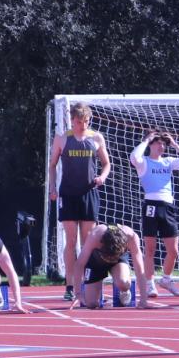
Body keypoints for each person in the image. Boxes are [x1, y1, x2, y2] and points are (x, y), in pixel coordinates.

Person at [48, 103, 111, 301]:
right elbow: (52, 165)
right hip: (68, 193)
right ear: (71, 121)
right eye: (78, 122)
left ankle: (86, 284)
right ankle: (69, 285)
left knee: (88, 242)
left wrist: (102, 177)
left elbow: (107, 163)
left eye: (85, 122)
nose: (82, 125)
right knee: (71, 241)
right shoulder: (62, 139)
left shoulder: (96, 138)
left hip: (89, 193)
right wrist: (52, 187)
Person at [131, 130, 179, 297]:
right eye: (158, 143)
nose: (161, 146)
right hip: (151, 206)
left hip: (167, 207)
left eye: (163, 144)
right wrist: (147, 140)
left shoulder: (168, 161)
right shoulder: (144, 162)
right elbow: (133, 157)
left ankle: (166, 279)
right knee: (150, 248)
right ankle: (149, 283)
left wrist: (174, 144)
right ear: (151, 144)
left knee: (173, 250)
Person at [70, 223, 151, 309]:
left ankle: (124, 291)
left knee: (123, 282)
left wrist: (143, 298)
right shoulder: (95, 236)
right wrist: (77, 293)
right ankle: (99, 296)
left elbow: (139, 268)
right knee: (92, 304)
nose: (109, 260)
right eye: (109, 258)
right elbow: (79, 264)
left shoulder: (131, 237)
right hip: (96, 260)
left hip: (118, 261)